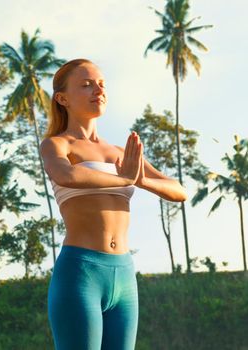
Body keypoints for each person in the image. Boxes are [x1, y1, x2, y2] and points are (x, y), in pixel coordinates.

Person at [39, 58, 187, 350]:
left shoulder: (121, 153)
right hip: (81, 272)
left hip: (124, 275)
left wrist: (139, 179)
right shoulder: (58, 144)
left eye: (102, 84)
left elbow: (178, 190)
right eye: (86, 84)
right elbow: (66, 174)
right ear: (62, 98)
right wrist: (125, 179)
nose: (98, 89)